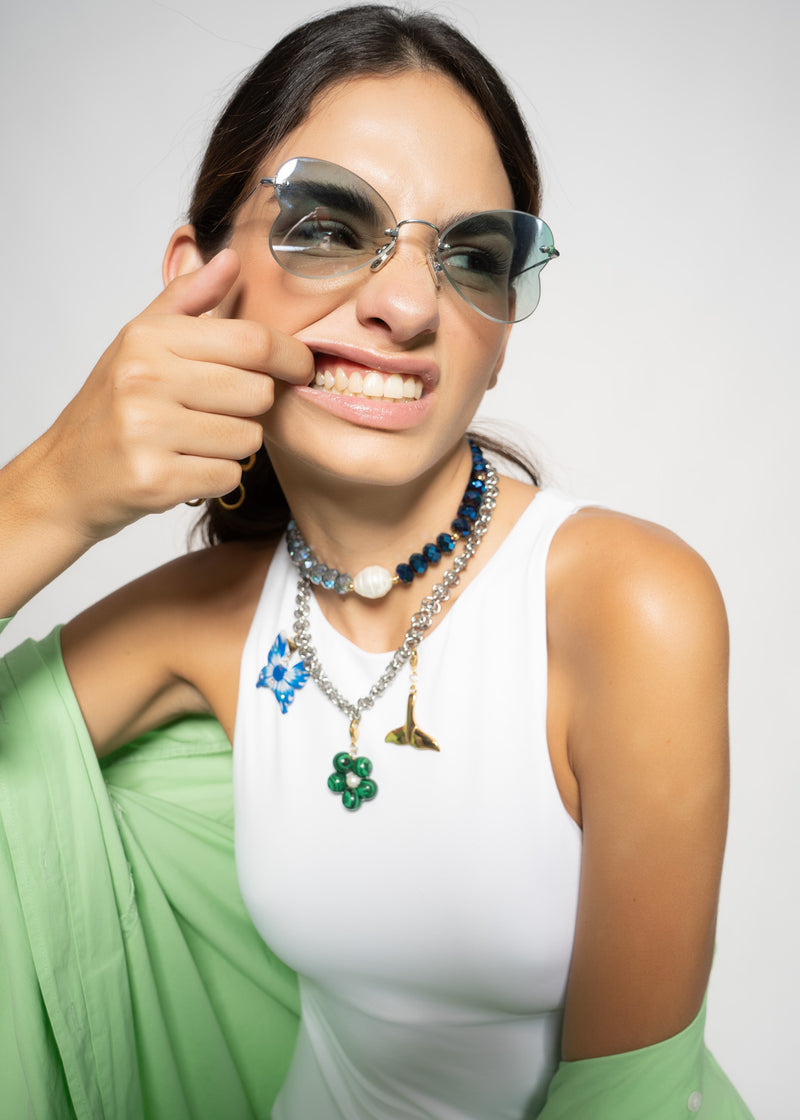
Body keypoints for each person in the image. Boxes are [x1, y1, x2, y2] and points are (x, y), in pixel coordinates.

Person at [0, 5, 754, 1117]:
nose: (406, 305)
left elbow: (626, 1098)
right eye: (327, 224)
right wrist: (50, 491)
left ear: (500, 339)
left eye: (472, 256)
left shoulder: (625, 603)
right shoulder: (209, 623)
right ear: (197, 278)